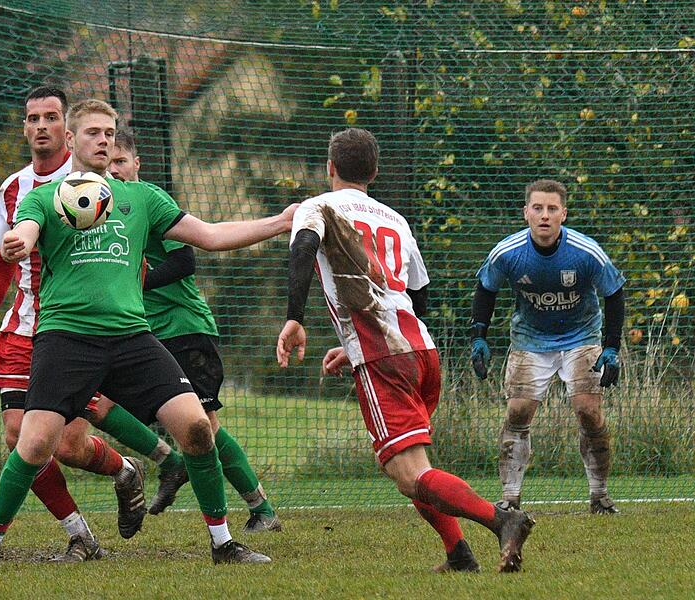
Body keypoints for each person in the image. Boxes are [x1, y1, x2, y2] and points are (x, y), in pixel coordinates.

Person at [0, 98, 296, 569]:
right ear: (71, 139)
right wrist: (20, 241)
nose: (103, 140)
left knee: (198, 428)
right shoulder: (42, 197)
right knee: (33, 445)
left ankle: (223, 544)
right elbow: (28, 230)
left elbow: (210, 236)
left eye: (109, 133)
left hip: (132, 338)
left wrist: (280, 222)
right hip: (66, 339)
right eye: (93, 132)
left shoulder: (142, 198)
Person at [276, 128, 535, 573]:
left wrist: (295, 318)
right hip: (421, 352)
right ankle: (458, 554)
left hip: (384, 359)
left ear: (330, 167)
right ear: (374, 172)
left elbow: (303, 248)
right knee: (413, 472)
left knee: (410, 473)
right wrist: (354, 344)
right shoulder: (395, 219)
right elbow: (418, 294)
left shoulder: (317, 206)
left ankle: (502, 520)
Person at [104, 130, 281, 532]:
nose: (114, 170)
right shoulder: (99, 211)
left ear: (136, 164)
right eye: (108, 163)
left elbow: (185, 261)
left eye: (121, 161)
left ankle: (260, 510)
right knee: (97, 401)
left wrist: (132, 281)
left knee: (205, 425)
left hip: (183, 328)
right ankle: (170, 462)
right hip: (143, 332)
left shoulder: (150, 200)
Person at [470, 179, 625, 515]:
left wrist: (612, 347)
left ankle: (599, 497)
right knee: (518, 412)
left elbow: (614, 292)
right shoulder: (507, 252)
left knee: (589, 411)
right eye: (537, 208)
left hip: (582, 336)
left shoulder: (586, 252)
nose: (544, 215)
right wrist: (479, 336)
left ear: (563, 214)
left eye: (552, 209)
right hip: (530, 339)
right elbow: (485, 288)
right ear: (525, 212)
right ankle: (510, 500)